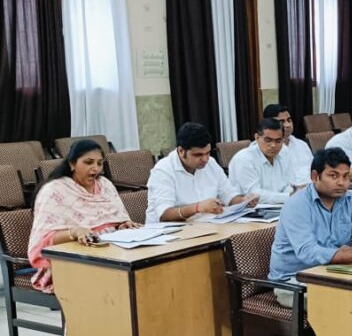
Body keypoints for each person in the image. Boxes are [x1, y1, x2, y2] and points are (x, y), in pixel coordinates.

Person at [269, 149, 352, 308]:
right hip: (294, 282)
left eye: (346, 176)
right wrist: (349, 254)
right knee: (350, 304)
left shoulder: (349, 200)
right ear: (315, 176)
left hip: (332, 273)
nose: (341, 182)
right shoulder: (297, 204)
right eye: (333, 176)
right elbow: (307, 252)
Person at [28, 140, 141, 293]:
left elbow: (114, 220)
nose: (96, 168)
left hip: (113, 253)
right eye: (88, 162)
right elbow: (44, 241)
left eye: (99, 163)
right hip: (72, 260)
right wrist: (74, 232)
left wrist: (123, 225)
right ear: (72, 164)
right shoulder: (54, 190)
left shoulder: (105, 185)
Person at [147, 122, 256, 223]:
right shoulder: (163, 170)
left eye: (208, 153)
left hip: (207, 226)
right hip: (170, 232)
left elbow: (228, 194)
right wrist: (198, 208)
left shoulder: (211, 163)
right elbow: (164, 215)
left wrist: (243, 201)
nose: (205, 159)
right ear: (181, 151)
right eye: (198, 155)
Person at [229, 118, 298, 204]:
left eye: (278, 141)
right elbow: (254, 195)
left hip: (282, 205)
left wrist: (291, 195)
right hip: (252, 210)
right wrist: (289, 197)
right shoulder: (244, 158)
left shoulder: (285, 152)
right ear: (257, 138)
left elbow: (289, 184)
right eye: (268, 140)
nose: (273, 145)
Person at [263, 104, 314, 187]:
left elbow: (314, 170)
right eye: (282, 122)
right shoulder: (266, 149)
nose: (288, 125)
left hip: (310, 188)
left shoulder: (302, 145)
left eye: (289, 120)